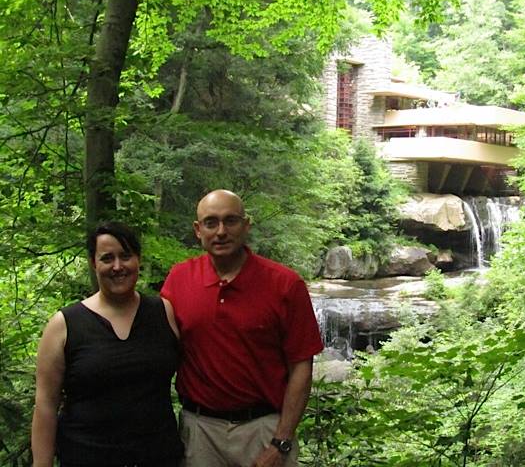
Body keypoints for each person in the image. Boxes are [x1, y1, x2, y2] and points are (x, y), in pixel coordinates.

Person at [161, 189, 323, 467]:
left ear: (246, 225)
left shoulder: (285, 284)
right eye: (211, 223)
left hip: (263, 429)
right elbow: (157, 348)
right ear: (198, 230)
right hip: (200, 431)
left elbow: (301, 366)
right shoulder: (179, 278)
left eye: (231, 221)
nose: (221, 231)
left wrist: (282, 440)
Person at [31, 222, 184, 467]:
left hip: (159, 456)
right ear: (93, 263)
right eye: (107, 258)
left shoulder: (163, 312)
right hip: (87, 456)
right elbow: (46, 404)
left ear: (138, 259)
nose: (117, 267)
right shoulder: (65, 324)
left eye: (125, 256)